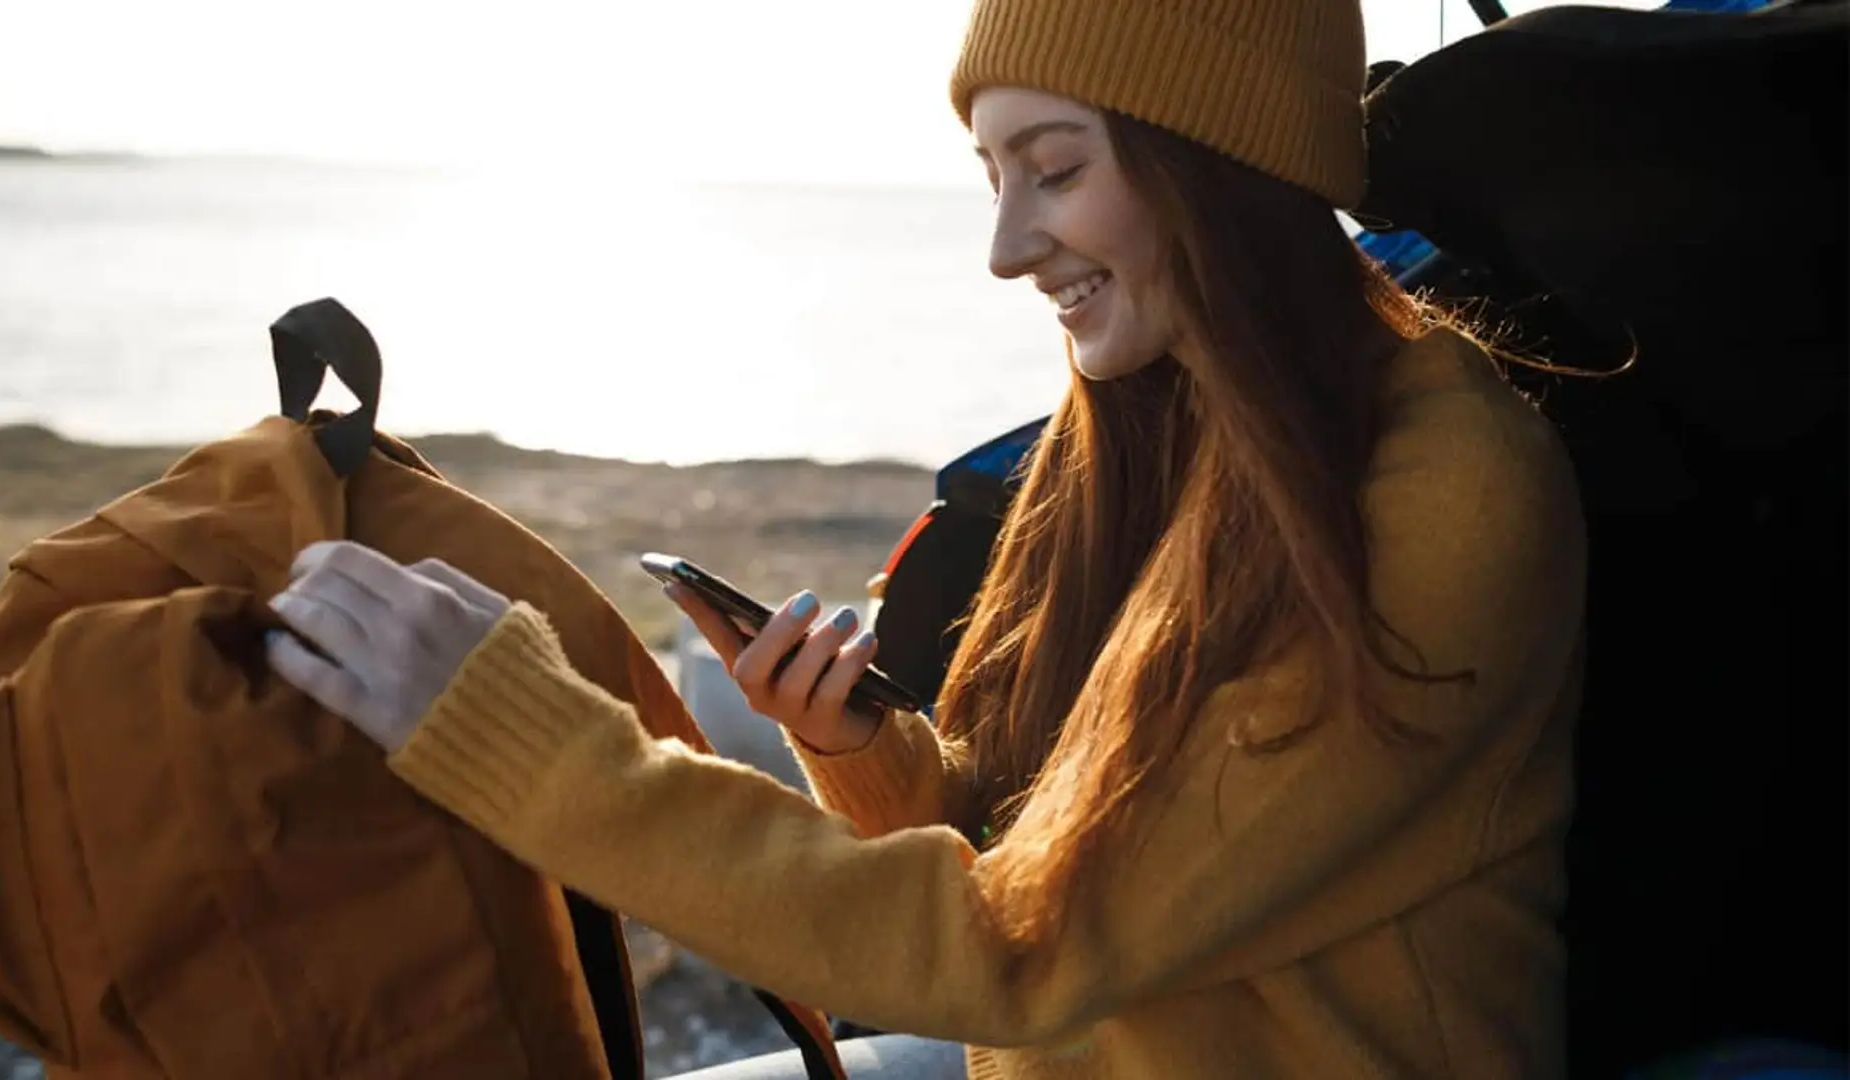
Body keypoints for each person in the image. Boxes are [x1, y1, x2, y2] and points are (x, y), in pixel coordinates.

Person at [263, 0, 1588, 1075]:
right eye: (994, 177)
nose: (1009, 248)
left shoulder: (1443, 497)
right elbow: (1019, 838)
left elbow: (1022, 950)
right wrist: (868, 758)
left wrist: (532, 750)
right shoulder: (1139, 439)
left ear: (1224, 167)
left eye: (1057, 170)